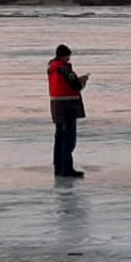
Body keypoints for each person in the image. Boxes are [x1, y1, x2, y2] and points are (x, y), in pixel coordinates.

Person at [47, 44, 89, 178]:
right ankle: (67, 169)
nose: (69, 59)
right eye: (68, 56)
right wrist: (82, 81)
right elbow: (75, 85)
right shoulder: (63, 68)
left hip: (56, 106)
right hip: (68, 107)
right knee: (68, 139)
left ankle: (58, 168)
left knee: (59, 138)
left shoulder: (52, 68)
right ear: (64, 55)